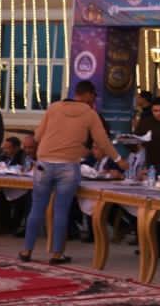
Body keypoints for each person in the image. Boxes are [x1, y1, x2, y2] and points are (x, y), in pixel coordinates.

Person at [22, 80, 128, 264]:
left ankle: (26, 251)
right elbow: (102, 141)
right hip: (68, 165)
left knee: (37, 207)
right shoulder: (90, 114)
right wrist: (119, 160)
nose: (94, 100)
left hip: (44, 163)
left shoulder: (54, 107)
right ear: (88, 95)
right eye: (94, 96)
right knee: (61, 210)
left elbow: (37, 136)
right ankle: (57, 254)